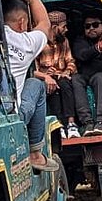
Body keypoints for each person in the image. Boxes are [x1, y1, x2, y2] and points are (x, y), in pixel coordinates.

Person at [3, 0, 59, 172]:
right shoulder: (24, 42)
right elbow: (44, 22)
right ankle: (35, 153)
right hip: (11, 114)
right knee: (36, 84)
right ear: (22, 23)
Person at [36, 11, 79, 139]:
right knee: (52, 88)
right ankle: (58, 125)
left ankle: (71, 124)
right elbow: (34, 69)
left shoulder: (64, 41)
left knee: (65, 84)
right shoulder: (39, 42)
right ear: (55, 28)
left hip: (62, 76)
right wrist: (46, 75)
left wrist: (66, 72)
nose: (66, 30)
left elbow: (70, 61)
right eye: (63, 27)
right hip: (45, 79)